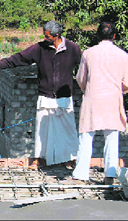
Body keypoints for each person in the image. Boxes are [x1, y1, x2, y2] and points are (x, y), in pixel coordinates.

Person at [0, 21, 82, 167]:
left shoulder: (72, 49)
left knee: (68, 130)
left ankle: (70, 158)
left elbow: (84, 66)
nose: (45, 39)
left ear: (56, 35)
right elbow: (20, 58)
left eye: (47, 36)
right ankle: (41, 159)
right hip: (45, 96)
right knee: (43, 131)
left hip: (64, 98)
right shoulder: (39, 49)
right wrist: (1, 64)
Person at [72, 22, 128, 184]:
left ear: (97, 35)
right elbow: (127, 82)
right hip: (113, 98)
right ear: (114, 36)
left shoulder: (89, 53)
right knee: (111, 137)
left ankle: (81, 173)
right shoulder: (123, 55)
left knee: (86, 136)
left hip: (93, 98)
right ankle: (110, 174)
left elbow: (80, 78)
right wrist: (119, 88)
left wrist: (88, 90)